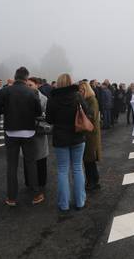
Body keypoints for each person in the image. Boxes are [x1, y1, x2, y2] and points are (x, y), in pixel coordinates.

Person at [0, 67, 44, 207]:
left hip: (11, 132)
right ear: (26, 79)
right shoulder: (32, 91)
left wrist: (8, 111)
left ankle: (11, 198)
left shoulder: (5, 91)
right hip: (28, 132)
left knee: (12, 166)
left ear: (15, 77)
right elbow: (38, 111)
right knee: (31, 164)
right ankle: (36, 195)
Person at [46, 73, 87, 211]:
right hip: (77, 136)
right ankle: (80, 201)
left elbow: (49, 120)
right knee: (77, 168)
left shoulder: (53, 98)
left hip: (60, 137)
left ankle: (64, 204)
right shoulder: (78, 96)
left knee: (63, 170)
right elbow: (87, 112)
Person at [23, 77, 49, 188]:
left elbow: (48, 116)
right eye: (26, 85)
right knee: (28, 158)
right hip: (25, 133)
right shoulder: (22, 97)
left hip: (39, 132)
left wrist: (37, 118)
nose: (28, 87)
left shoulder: (43, 99)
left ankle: (41, 182)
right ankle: (29, 182)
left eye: (30, 85)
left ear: (37, 85)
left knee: (40, 158)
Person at [79, 81, 102, 190]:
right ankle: (94, 180)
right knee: (89, 159)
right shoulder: (87, 100)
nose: (80, 92)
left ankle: (91, 182)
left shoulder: (91, 100)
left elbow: (92, 116)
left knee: (89, 159)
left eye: (82, 90)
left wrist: (80, 113)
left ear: (86, 90)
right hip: (89, 133)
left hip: (90, 134)